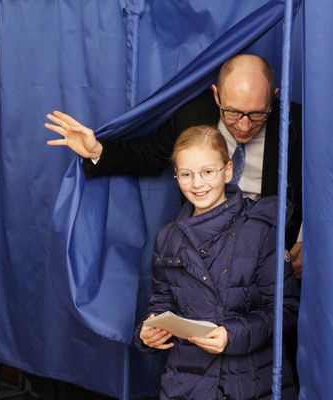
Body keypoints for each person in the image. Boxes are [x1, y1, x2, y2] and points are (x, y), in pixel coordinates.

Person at [44, 53, 303, 279]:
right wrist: (98, 151)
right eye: (233, 113)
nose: (244, 125)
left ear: (274, 98)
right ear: (216, 96)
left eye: (258, 114)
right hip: (207, 253)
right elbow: (148, 154)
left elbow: (325, 190)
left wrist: (305, 242)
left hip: (272, 259)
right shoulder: (193, 116)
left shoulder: (296, 125)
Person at [133, 125, 300, 399]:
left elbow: (285, 310)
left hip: (250, 383)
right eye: (186, 174)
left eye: (208, 172)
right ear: (176, 176)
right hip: (186, 384)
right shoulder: (167, 237)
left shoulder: (260, 231)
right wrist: (148, 333)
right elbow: (161, 303)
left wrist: (231, 335)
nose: (197, 184)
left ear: (228, 170)